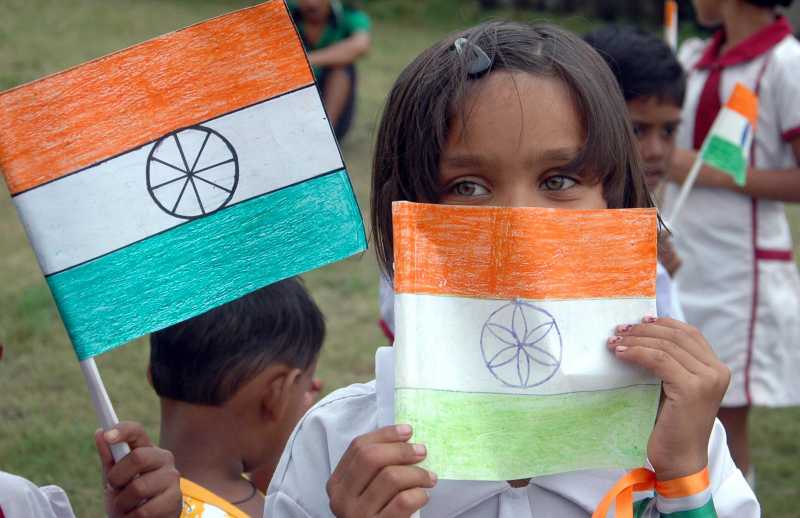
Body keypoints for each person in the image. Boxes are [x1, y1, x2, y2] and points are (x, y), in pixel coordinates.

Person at [266, 21, 759, 517]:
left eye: (559, 179)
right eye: (467, 187)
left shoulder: (680, 435)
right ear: (405, 215)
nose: (519, 226)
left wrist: (686, 489)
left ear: (618, 204)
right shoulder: (337, 445)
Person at [661, 0, 800, 482]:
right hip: (683, 255)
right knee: (670, 404)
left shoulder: (787, 62)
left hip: (741, 272)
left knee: (722, 414)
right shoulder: (694, 57)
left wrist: (714, 174)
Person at [148, 277, 324, 517]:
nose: (315, 387)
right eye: (304, 385)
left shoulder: (141, 501)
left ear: (152, 374)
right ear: (276, 394)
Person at [583, 25, 686, 320]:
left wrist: (659, 278)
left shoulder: (644, 227)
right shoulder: (578, 229)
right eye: (637, 129)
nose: (655, 150)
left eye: (668, 130)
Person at [290, 0, 371, 141]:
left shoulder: (348, 14)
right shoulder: (285, 11)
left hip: (332, 102)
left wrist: (306, 60)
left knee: (341, 68)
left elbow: (361, 45)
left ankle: (325, 136)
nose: (311, 4)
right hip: (296, 95)